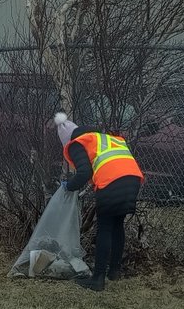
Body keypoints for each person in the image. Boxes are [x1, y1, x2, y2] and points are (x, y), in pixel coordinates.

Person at [56, 111, 143, 292]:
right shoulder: (104, 138)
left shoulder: (77, 143)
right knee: (117, 224)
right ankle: (114, 272)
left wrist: (68, 187)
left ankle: (97, 280)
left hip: (112, 181)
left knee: (104, 228)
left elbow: (83, 173)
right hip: (133, 180)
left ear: (67, 140)